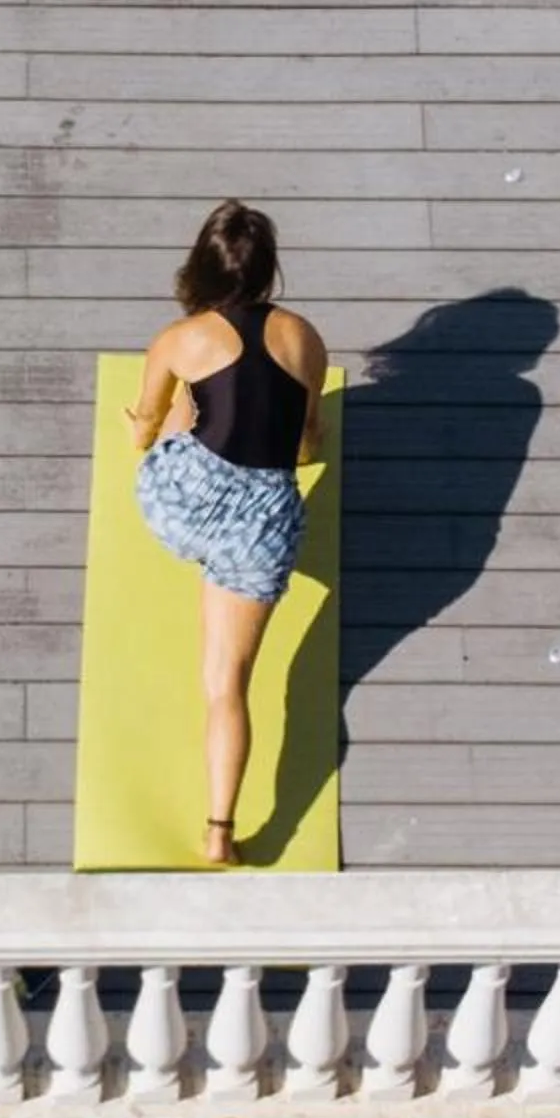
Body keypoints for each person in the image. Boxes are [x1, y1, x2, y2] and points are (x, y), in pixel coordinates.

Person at [127, 201, 328, 866]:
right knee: (228, 684)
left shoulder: (179, 339)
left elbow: (143, 430)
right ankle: (220, 830)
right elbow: (307, 444)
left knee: (193, 404)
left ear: (199, 269)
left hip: (183, 512)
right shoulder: (305, 339)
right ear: (271, 271)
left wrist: (175, 412)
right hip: (261, 529)